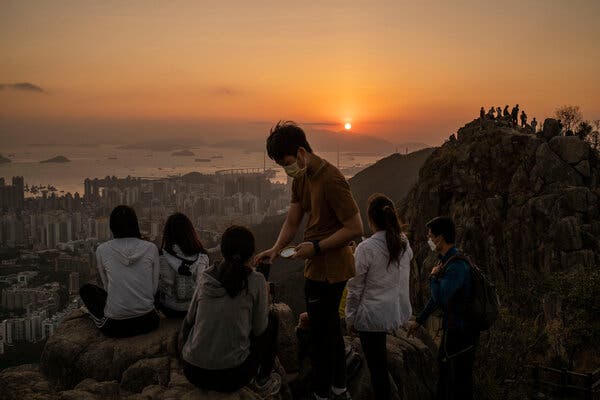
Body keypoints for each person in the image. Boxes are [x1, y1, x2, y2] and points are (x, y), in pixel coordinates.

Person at [254, 121, 363, 400]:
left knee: (325, 332)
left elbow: (355, 227)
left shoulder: (332, 179)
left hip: (333, 268)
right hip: (314, 266)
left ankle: (330, 389)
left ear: (301, 152)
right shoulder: (301, 178)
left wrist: (316, 247)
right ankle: (333, 386)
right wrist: (276, 249)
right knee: (323, 328)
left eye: (286, 162)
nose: (286, 170)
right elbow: (293, 220)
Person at [180, 226, 281, 395]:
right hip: (232, 376)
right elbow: (259, 330)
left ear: (223, 251)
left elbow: (189, 322)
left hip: (193, 371)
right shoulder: (256, 280)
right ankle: (263, 380)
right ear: (251, 254)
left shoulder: (206, 277)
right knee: (273, 318)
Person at [345, 194, 413, 400]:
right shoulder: (403, 242)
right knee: (380, 366)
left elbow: (355, 287)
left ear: (370, 219)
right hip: (396, 312)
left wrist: (350, 317)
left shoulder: (366, 248)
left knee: (378, 371)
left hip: (372, 318)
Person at [407, 217, 479, 400]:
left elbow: (441, 297)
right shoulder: (448, 262)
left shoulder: (456, 266)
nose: (429, 240)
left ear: (440, 238)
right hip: (454, 331)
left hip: (461, 334)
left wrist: (433, 278)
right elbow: (435, 299)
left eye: (430, 236)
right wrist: (419, 321)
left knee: (458, 384)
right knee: (447, 379)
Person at [79, 205, 160, 338]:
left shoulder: (102, 249)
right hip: (149, 321)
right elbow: (154, 288)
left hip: (117, 327)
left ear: (112, 226)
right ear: (135, 224)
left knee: (86, 289)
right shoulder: (151, 248)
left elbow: (107, 287)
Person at [156, 212, 210, 318]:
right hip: (195, 308)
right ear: (190, 232)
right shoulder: (203, 256)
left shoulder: (161, 256)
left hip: (170, 309)